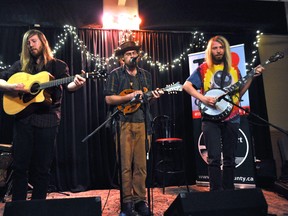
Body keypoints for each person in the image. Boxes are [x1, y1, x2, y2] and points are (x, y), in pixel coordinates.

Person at [0, 29, 86, 201]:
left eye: (33, 41)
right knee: (19, 167)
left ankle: (38, 208)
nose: (30, 45)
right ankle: (19, 209)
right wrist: (10, 87)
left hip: (48, 120)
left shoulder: (58, 66)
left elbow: (68, 86)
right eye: (28, 43)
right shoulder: (20, 66)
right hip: (24, 120)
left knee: (42, 169)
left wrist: (76, 84)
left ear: (43, 42)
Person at [183, 35, 264, 191]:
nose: (218, 51)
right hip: (210, 119)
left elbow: (238, 94)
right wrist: (203, 98)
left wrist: (251, 78)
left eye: (221, 47)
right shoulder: (203, 68)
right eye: (215, 48)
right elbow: (187, 86)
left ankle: (229, 193)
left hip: (232, 117)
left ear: (225, 49)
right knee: (213, 158)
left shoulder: (234, 69)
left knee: (230, 159)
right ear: (210, 50)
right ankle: (216, 194)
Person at [104, 40, 163, 216]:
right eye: (128, 54)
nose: (132, 56)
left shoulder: (145, 75)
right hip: (122, 122)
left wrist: (154, 96)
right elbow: (109, 99)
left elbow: (146, 99)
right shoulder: (115, 75)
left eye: (134, 53)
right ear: (122, 58)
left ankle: (140, 201)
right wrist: (129, 97)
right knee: (125, 165)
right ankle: (127, 203)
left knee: (141, 166)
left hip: (143, 124)